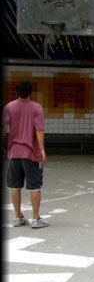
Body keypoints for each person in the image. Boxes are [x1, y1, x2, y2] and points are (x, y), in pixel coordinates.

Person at [2, 79, 48, 228]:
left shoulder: (9, 107)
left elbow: (3, 126)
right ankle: (35, 219)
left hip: (14, 152)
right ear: (31, 92)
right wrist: (42, 150)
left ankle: (17, 217)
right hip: (30, 152)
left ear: (17, 91)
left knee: (15, 186)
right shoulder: (36, 108)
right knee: (35, 186)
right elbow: (39, 130)